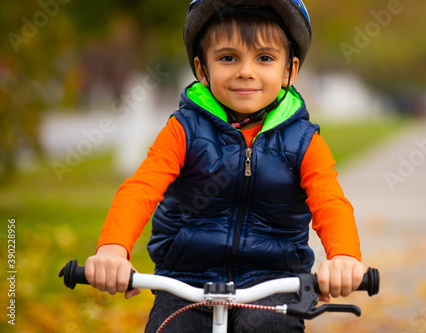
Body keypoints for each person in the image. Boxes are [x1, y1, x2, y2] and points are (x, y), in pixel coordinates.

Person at [85, 0, 365, 332]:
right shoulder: (183, 131)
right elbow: (141, 189)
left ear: (289, 70)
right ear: (202, 69)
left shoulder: (304, 142)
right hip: (187, 280)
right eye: (228, 57)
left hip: (273, 281)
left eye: (264, 58)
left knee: (265, 326)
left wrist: (344, 258)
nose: (246, 71)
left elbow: (330, 201)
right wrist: (113, 250)